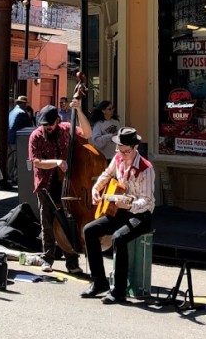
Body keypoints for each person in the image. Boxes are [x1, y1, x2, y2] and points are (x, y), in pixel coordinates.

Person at [81, 127, 155, 304]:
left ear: (135, 147)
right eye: (119, 150)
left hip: (141, 215)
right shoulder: (118, 157)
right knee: (89, 230)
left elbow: (147, 200)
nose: (122, 155)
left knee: (118, 238)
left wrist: (129, 205)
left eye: (126, 151)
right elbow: (107, 174)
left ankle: (119, 291)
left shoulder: (146, 168)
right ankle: (99, 282)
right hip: (120, 210)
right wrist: (96, 188)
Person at [28, 100, 92, 274]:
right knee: (47, 223)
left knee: (68, 223)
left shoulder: (65, 128)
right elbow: (37, 162)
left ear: (57, 120)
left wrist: (78, 110)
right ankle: (47, 258)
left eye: (50, 124)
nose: (47, 128)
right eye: (44, 125)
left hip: (67, 183)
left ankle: (72, 262)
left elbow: (87, 133)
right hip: (46, 184)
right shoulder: (36, 135)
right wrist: (56, 162)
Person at [7, 94, 33, 188]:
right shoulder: (22, 113)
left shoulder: (12, 111)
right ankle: (16, 178)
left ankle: (9, 176)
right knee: (18, 159)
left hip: (10, 138)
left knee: (11, 159)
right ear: (24, 104)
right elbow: (30, 126)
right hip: (18, 139)